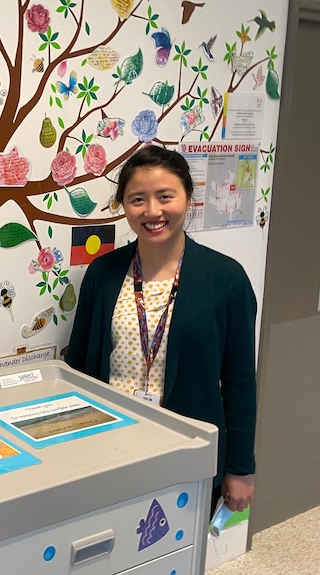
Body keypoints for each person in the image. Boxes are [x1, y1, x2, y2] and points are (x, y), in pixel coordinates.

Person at [66, 146, 256, 516]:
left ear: (188, 198)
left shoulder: (226, 279)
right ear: (123, 205)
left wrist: (240, 467)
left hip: (186, 454)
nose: (152, 212)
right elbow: (76, 368)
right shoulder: (102, 273)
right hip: (106, 450)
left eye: (165, 196)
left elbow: (240, 383)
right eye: (137, 199)